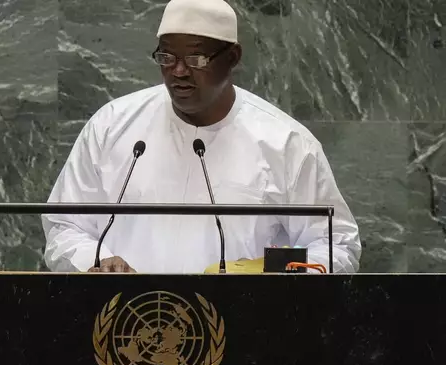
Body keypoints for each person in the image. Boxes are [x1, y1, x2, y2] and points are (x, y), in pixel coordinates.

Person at [42, 0, 361, 274]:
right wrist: (96, 262)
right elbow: (64, 225)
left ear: (233, 58)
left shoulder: (286, 144)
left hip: (245, 329)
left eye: (196, 59)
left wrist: (274, 279)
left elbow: (335, 244)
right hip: (127, 326)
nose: (179, 71)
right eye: (167, 57)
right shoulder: (113, 126)